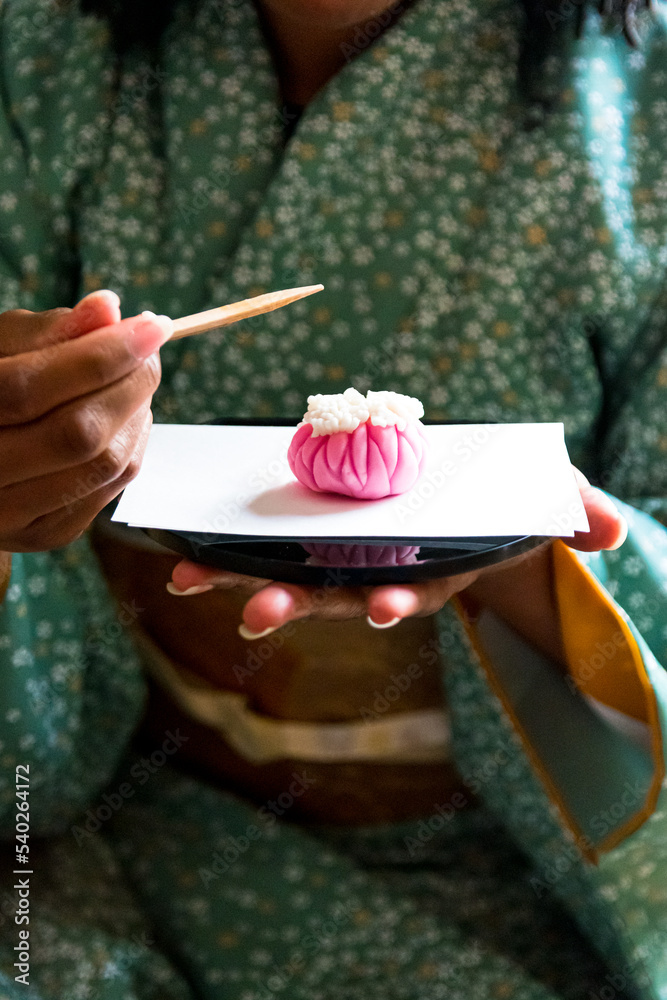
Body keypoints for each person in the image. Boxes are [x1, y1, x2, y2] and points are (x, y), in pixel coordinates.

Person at [0, 0, 666, 996]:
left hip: (506, 880)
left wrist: (526, 548)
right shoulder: (41, 51)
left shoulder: (638, 93)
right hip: (117, 844)